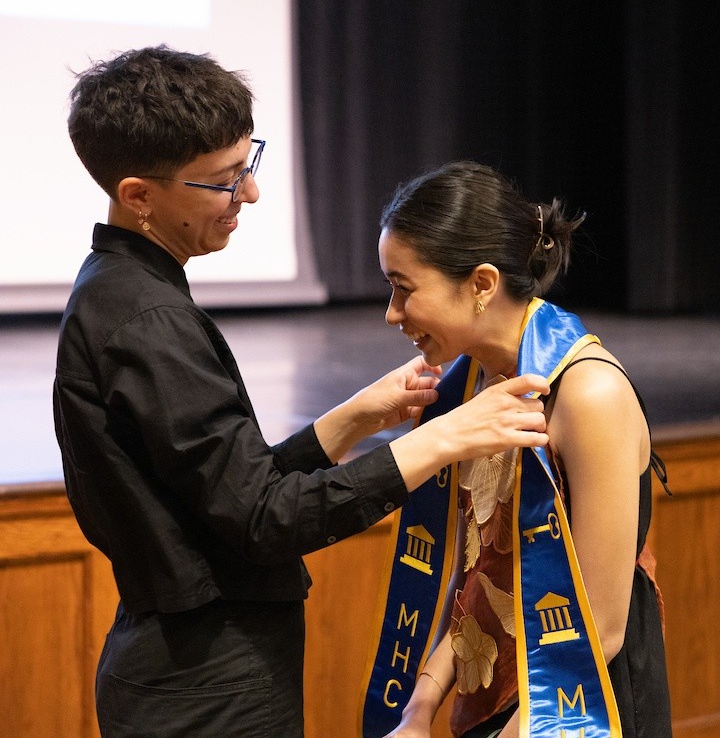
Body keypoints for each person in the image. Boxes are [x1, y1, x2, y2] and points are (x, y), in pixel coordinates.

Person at [52, 46, 551, 738]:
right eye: (224, 182)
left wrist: (348, 422)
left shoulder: (123, 293)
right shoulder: (149, 321)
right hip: (204, 687)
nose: (248, 195)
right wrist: (442, 439)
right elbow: (262, 521)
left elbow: (225, 494)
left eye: (246, 165)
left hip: (191, 667)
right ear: (140, 195)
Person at [362, 161, 671, 738]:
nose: (392, 313)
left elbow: (601, 628)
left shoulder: (589, 393)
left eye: (404, 289)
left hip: (580, 705)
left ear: (481, 284)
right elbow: (478, 576)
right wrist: (419, 707)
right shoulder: (472, 382)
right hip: (504, 694)